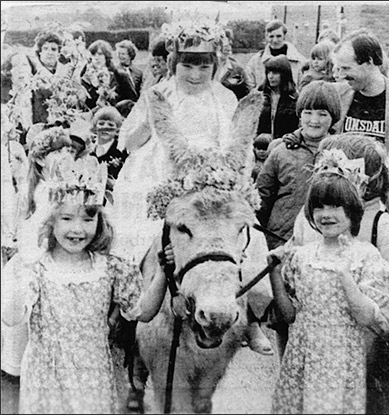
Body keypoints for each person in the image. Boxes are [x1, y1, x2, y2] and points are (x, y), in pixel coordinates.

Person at [112, 20, 273, 356]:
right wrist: (146, 123)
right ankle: (127, 310)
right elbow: (129, 140)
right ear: (174, 62)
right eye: (188, 65)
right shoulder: (160, 93)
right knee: (139, 234)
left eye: (204, 65)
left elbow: (238, 146)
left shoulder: (225, 97)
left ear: (216, 65)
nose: (196, 74)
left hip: (212, 178)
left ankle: (251, 317)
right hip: (164, 171)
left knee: (250, 236)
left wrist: (231, 179)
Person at [1, 152, 167, 414]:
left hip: (93, 379)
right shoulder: (38, 268)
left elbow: (144, 312)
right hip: (47, 382)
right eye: (66, 218)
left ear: (100, 221)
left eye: (88, 218)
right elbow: (11, 317)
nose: (78, 229)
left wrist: (164, 272)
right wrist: (22, 265)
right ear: (50, 221)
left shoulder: (111, 267)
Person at [268, 148, 389, 414]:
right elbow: (289, 315)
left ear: (351, 211)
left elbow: (370, 318)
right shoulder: (300, 256)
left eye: (335, 206)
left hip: (340, 360)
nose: (326, 214)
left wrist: (344, 275)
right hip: (301, 357)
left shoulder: (365, 255)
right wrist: (274, 274)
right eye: (319, 207)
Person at [255, 80, 341, 251]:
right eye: (308, 113)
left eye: (322, 114)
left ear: (333, 118)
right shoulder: (281, 151)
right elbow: (261, 196)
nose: (314, 120)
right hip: (281, 240)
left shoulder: (342, 152)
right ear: (299, 115)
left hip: (325, 244)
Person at [332, 28, 389, 152]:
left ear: (369, 61)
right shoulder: (336, 93)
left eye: (346, 68)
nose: (341, 76)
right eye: (339, 69)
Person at [246, 19, 306, 89]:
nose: (275, 40)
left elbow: (305, 88)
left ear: (284, 36)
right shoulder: (256, 61)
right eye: (271, 36)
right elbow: (249, 85)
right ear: (266, 37)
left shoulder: (300, 61)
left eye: (278, 36)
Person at [80, 39, 136, 111]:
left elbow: (132, 102)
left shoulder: (120, 75)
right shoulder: (85, 77)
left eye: (100, 54)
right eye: (93, 54)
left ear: (106, 55)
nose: (96, 58)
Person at [256, 55, 299, 140]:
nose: (270, 76)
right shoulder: (259, 95)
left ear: (284, 74)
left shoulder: (294, 98)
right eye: (268, 72)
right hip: (261, 146)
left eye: (275, 73)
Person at [90, 106, 128, 198]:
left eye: (111, 125)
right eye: (101, 124)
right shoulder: (88, 149)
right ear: (95, 127)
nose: (105, 128)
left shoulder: (122, 152)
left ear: (117, 130)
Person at [214, 28, 252, 100]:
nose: (228, 49)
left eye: (230, 45)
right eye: (223, 45)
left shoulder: (238, 69)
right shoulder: (205, 68)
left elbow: (250, 92)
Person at [115, 39, 143, 103]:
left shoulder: (138, 72)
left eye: (123, 54)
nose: (120, 56)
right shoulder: (115, 71)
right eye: (119, 53)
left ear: (130, 55)